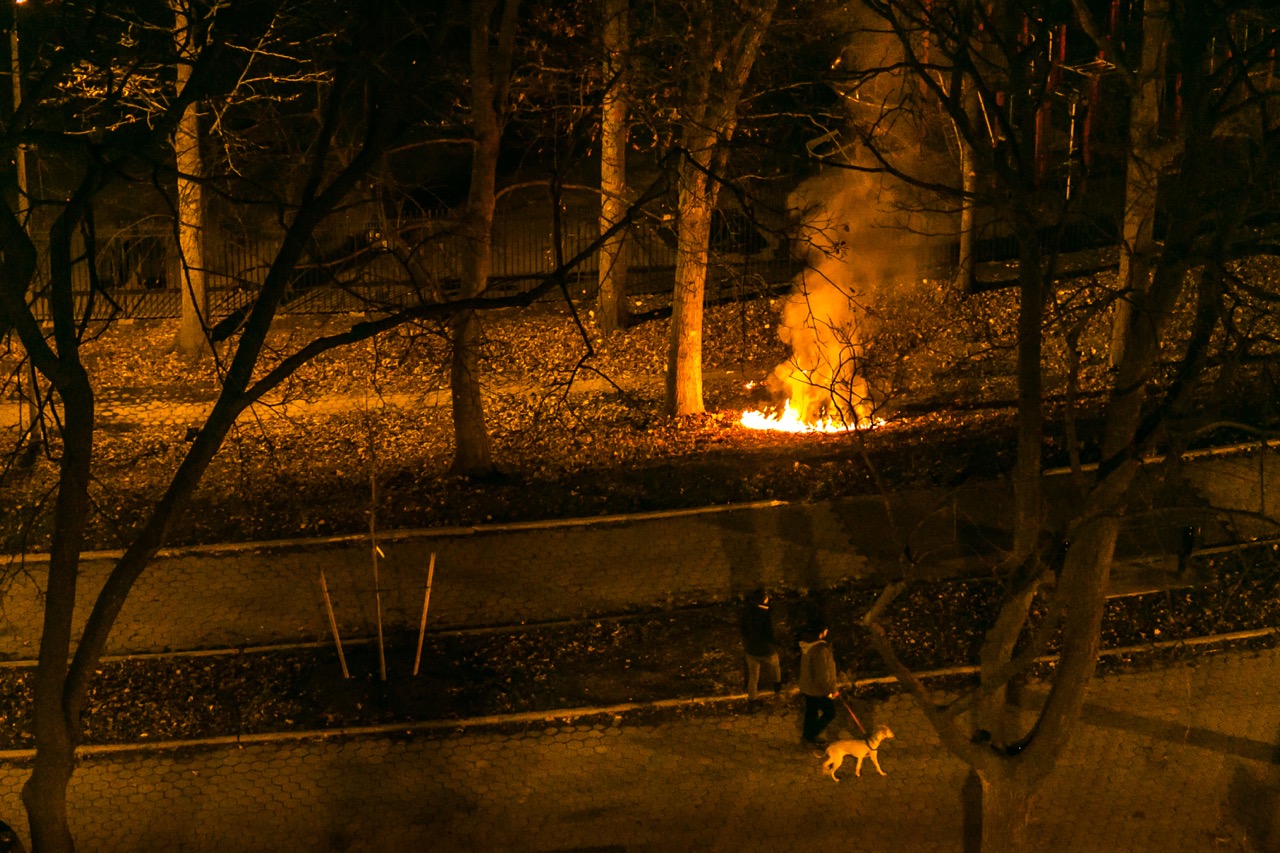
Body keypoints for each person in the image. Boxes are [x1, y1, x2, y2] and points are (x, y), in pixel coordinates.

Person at [739, 588, 782, 701]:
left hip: (751, 650)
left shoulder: (746, 612)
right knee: (775, 666)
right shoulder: (766, 614)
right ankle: (777, 689)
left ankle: (752, 701)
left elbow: (743, 630)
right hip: (766, 650)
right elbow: (769, 633)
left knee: (753, 677)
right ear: (764, 600)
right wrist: (776, 643)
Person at [798, 625, 838, 747]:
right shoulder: (821, 649)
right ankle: (811, 734)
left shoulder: (807, 644)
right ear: (820, 633)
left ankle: (807, 737)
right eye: (825, 629)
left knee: (811, 711)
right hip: (818, 689)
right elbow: (823, 673)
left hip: (807, 685)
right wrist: (831, 690)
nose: (827, 631)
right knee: (830, 712)